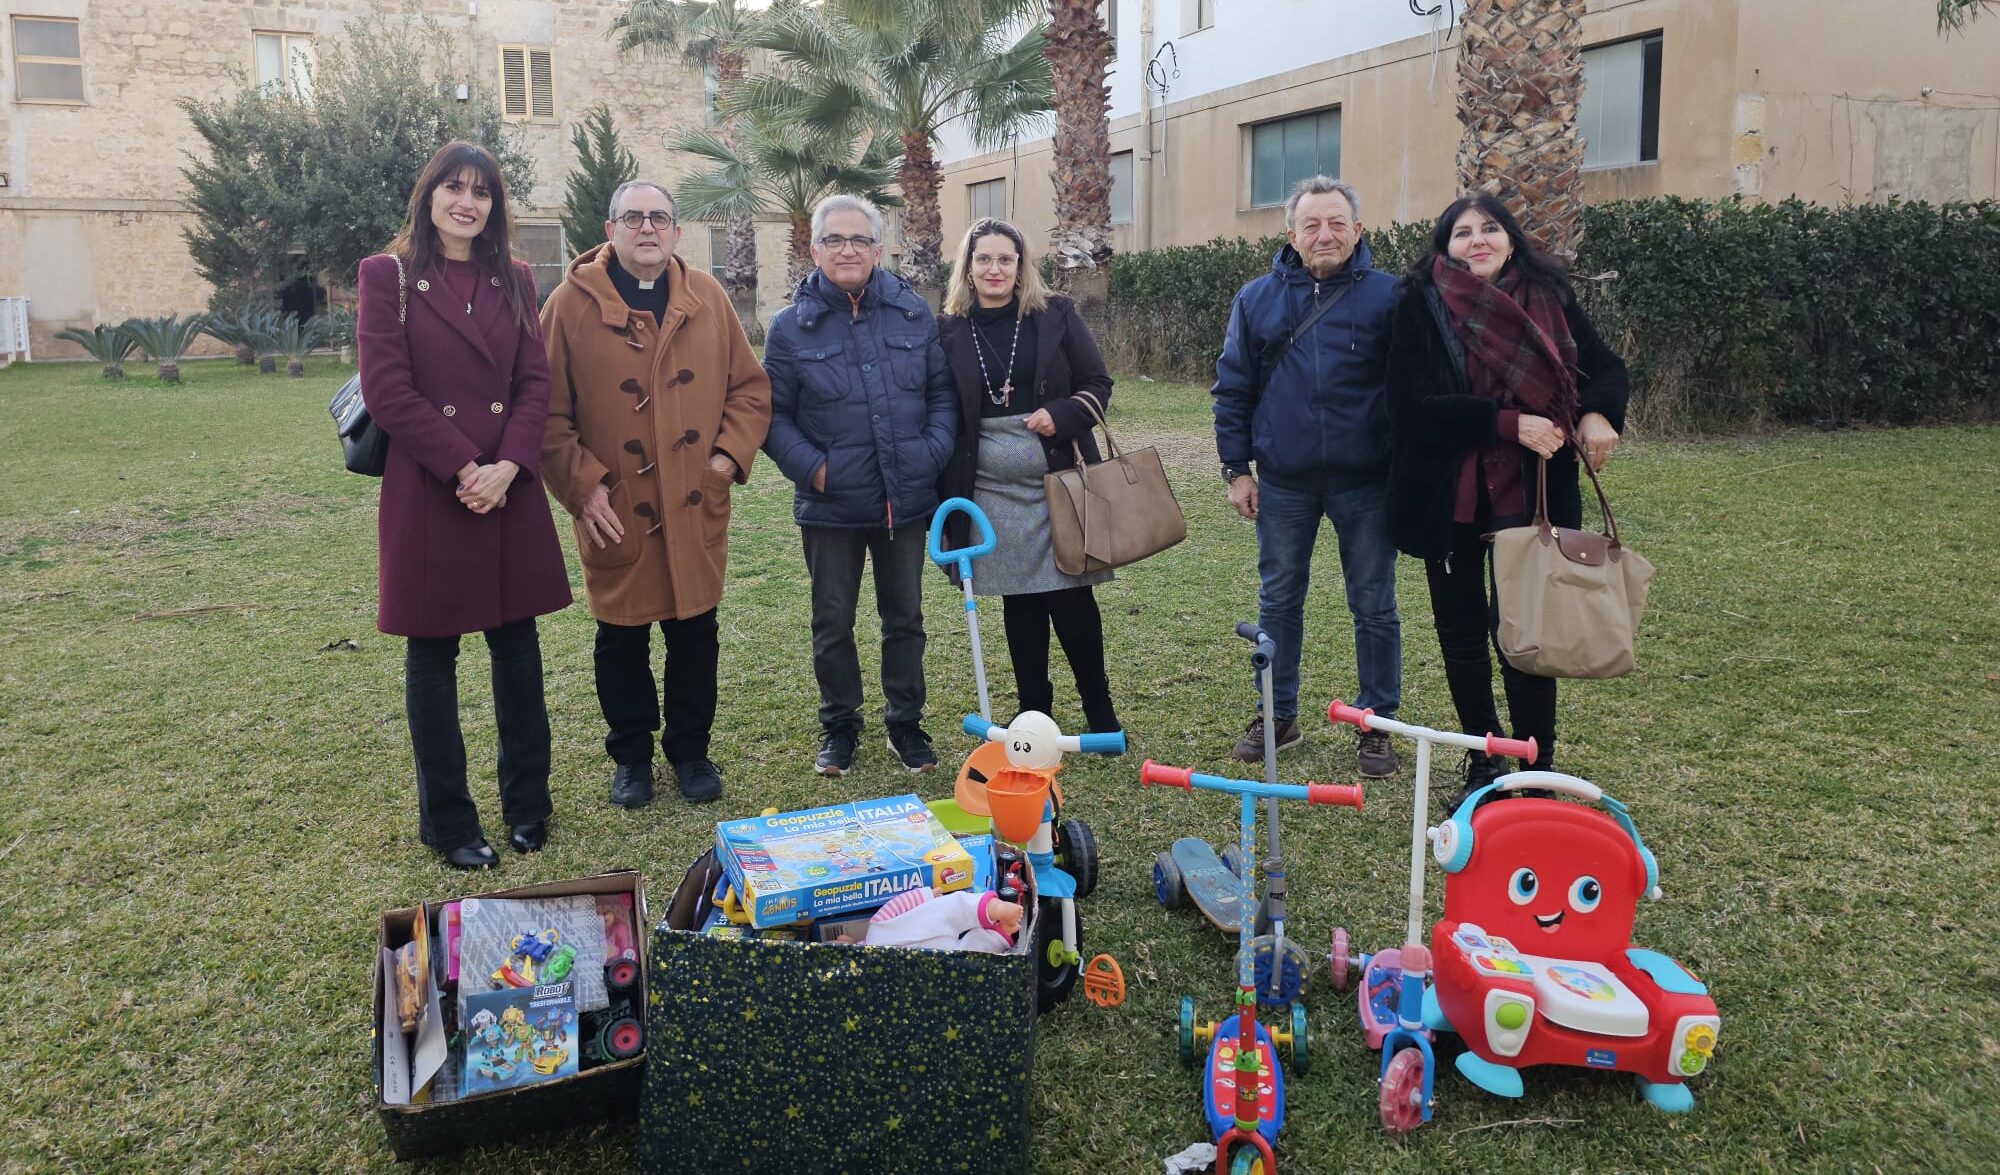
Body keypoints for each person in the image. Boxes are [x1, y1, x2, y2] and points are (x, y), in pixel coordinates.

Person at [356, 140, 572, 869]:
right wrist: (466, 467)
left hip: (507, 487)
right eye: (454, 187)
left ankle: (529, 805)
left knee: (517, 649)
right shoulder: (385, 276)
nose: (467, 202)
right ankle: (449, 822)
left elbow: (534, 382)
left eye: (481, 192)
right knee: (433, 655)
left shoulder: (515, 277)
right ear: (428, 196)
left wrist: (508, 464)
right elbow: (388, 390)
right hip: (431, 489)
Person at [1383, 193, 1629, 804]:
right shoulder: (1420, 302)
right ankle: (1485, 761)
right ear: (1446, 247)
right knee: (1462, 633)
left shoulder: (1549, 297)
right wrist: (1506, 423)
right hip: (1450, 495)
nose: (1478, 241)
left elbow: (1604, 368)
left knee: (1527, 635)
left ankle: (1536, 766)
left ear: (1511, 239)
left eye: (1489, 229)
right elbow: (1409, 407)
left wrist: (1597, 412)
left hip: (1533, 493)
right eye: (1462, 233)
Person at [539, 180, 772, 808]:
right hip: (614, 507)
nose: (648, 228)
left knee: (696, 632)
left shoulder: (708, 297)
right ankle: (632, 757)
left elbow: (749, 390)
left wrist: (725, 459)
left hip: (694, 499)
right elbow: (546, 413)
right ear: (610, 229)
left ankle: (691, 752)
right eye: (634, 217)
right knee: (621, 637)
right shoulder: (567, 305)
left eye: (660, 218)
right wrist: (584, 488)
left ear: (675, 231)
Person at [1212, 176, 1403, 777]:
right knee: (1279, 600)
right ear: (1291, 235)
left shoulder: (1391, 297)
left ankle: (1376, 722)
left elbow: (1414, 388)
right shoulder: (1256, 300)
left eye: (1337, 223)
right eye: (1312, 225)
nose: (1325, 235)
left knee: (1374, 604)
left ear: (1358, 230)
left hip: (1367, 483)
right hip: (1285, 482)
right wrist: (1237, 470)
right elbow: (1233, 389)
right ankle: (1277, 715)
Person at [762, 194, 957, 776]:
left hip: (906, 498)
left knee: (905, 618)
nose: (847, 250)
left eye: (859, 240)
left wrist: (931, 453)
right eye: (834, 240)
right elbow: (772, 417)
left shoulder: (913, 314)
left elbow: (942, 394)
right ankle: (840, 727)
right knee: (832, 622)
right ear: (815, 249)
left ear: (878, 249)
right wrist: (816, 470)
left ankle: (906, 724)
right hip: (830, 505)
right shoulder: (789, 328)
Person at [936, 219, 1120, 734]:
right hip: (989, 489)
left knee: (1072, 597)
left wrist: (1062, 414)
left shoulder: (1054, 315)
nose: (994, 269)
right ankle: (1034, 709)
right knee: (1019, 600)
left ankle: (1100, 711)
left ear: (1021, 267)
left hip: (1058, 481)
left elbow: (1097, 382)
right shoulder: (947, 329)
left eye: (1005, 259)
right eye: (984, 259)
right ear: (968, 268)